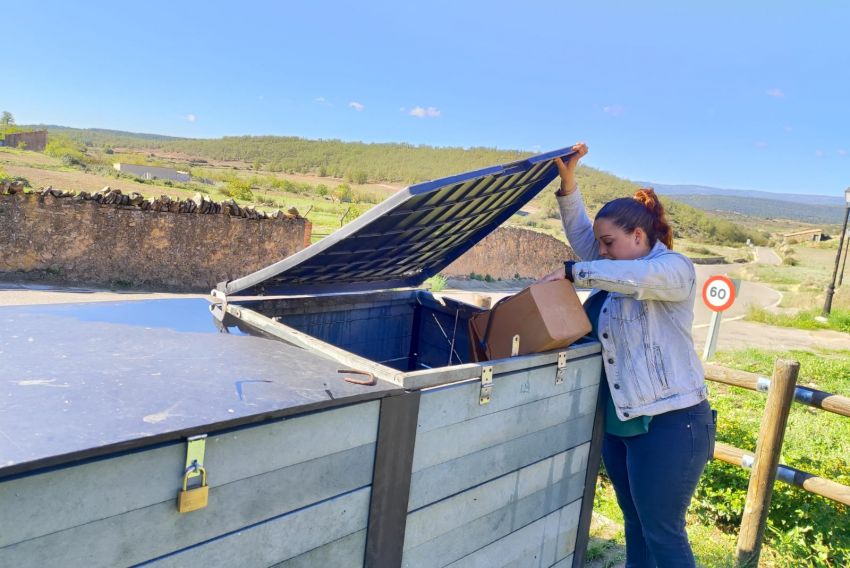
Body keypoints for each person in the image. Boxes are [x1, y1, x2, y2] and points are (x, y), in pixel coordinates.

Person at [540, 143, 717, 567]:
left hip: (671, 424)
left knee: (663, 533)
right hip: (622, 426)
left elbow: (632, 274)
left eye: (609, 243)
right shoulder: (617, 267)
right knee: (635, 524)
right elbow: (589, 241)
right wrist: (569, 186)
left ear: (639, 237)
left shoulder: (673, 269)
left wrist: (571, 271)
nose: (599, 252)